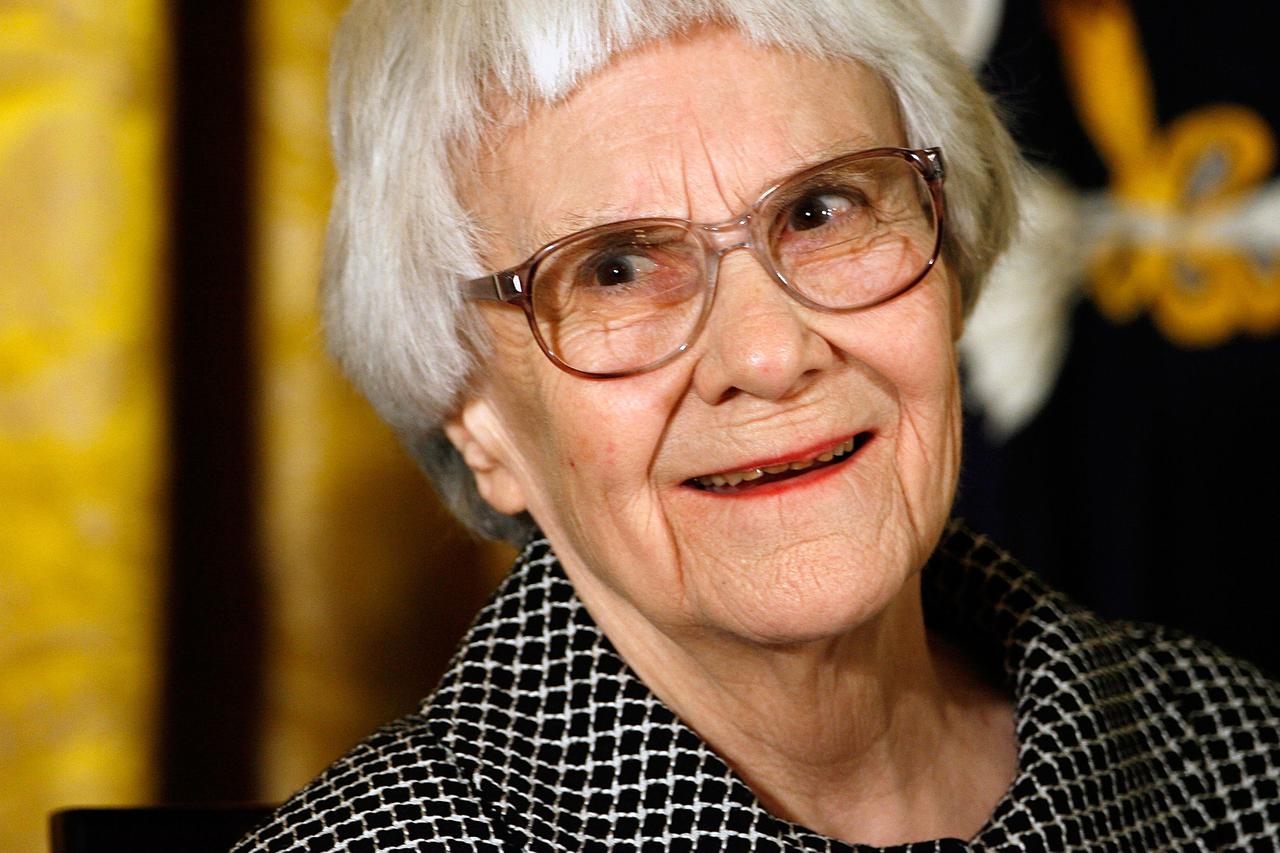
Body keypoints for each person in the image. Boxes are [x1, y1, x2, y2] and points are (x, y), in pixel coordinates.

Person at [234, 1, 1280, 849]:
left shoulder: (1235, 756)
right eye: (615, 270)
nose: (771, 356)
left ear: (952, 257)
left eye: (821, 211)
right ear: (474, 418)